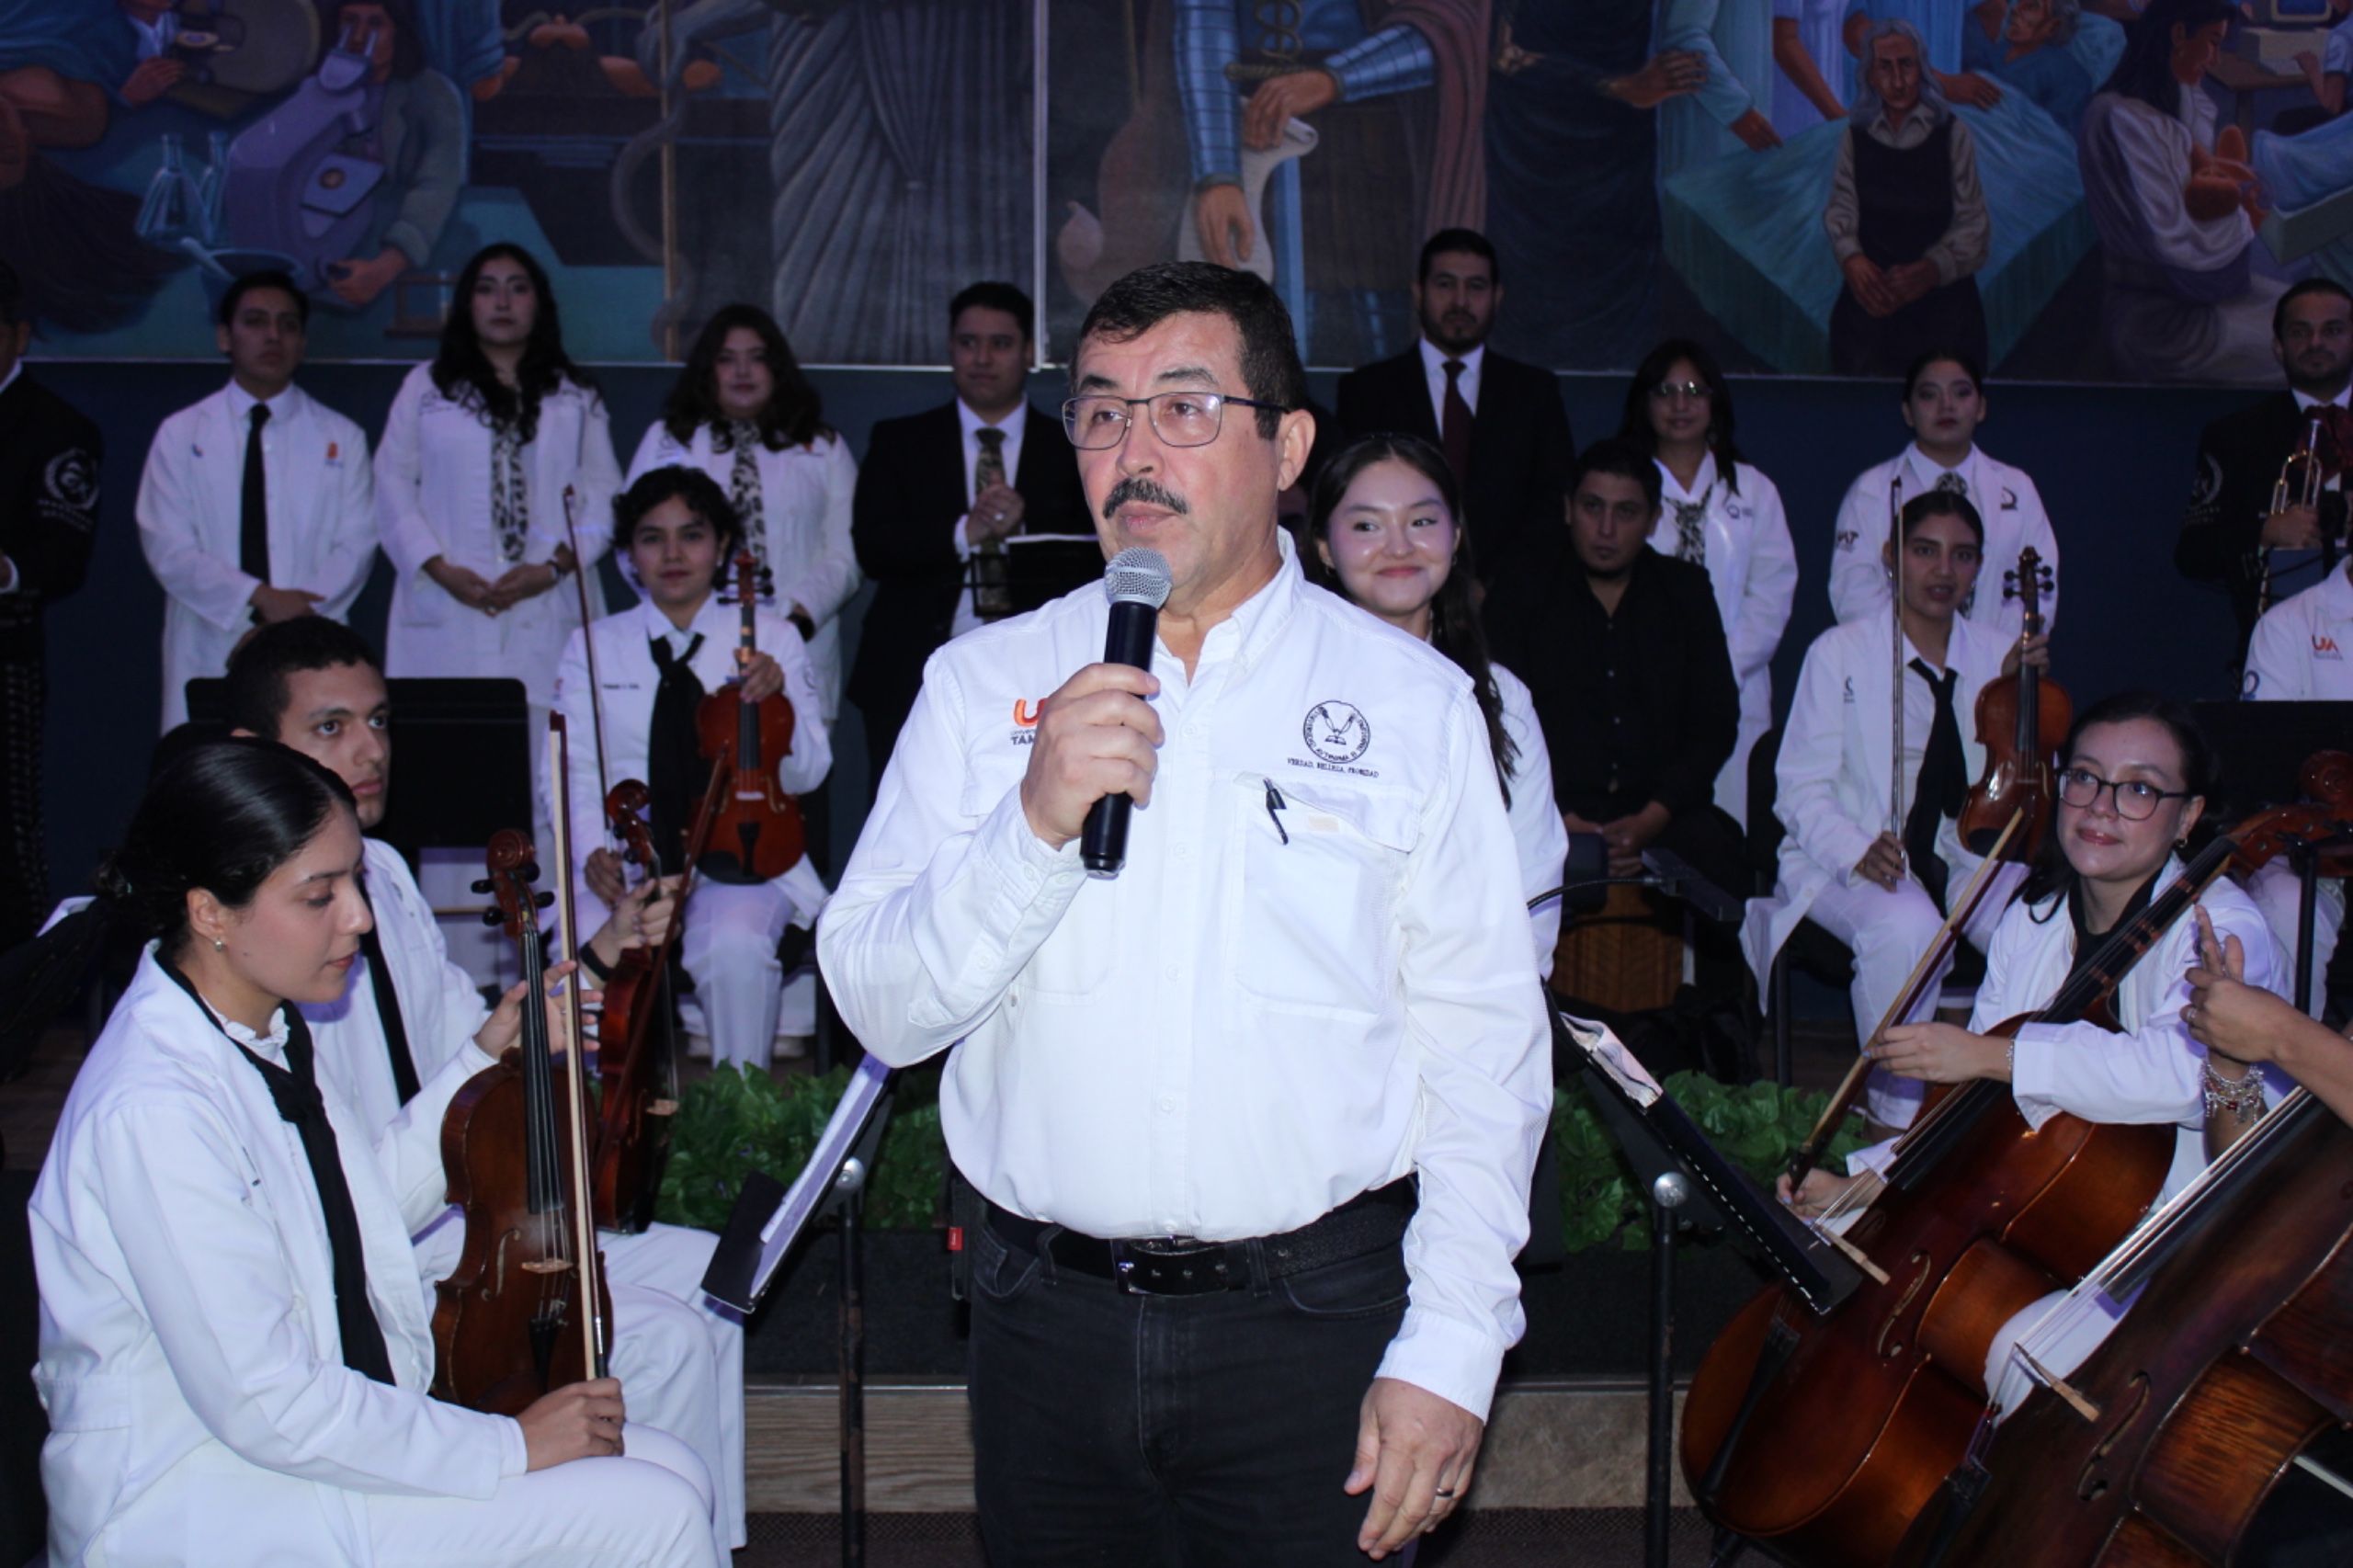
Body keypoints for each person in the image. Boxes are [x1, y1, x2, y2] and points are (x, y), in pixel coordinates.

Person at [822, 261, 1550, 1563]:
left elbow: (1485, 1048)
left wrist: (1451, 1343)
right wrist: (1030, 827)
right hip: (1045, 1325)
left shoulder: (1410, 702)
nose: (1131, 452)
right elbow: (877, 1002)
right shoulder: (983, 681)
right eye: (1100, 413)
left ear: (1289, 444)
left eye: (1183, 408)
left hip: (1312, 1326)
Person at [29, 738, 721, 1568]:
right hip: (193, 1494)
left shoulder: (257, 1027)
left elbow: (351, 1222)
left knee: (669, 1468)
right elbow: (267, 1404)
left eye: (354, 881)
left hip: (277, 1454)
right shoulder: (153, 1107)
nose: (359, 915)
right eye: (320, 895)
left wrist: (478, 1063)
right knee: (652, 1509)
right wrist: (508, 1448)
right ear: (210, 912)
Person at [219, 616, 752, 1551]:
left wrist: (599, 956)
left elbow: (479, 1042)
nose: (370, 749)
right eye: (332, 727)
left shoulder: (381, 873)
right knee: (658, 1336)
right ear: (255, 754)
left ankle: (700, 1538)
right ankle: (620, 1525)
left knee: (712, 1280)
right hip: (403, 1229)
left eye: (379, 721)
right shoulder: (262, 935)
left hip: (461, 1205)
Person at [1780, 696, 2288, 1416]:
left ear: (2187, 814)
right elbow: (1975, 1112)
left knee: (2019, 1353)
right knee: (1831, 1241)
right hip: (2046, 1201)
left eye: (2139, 789)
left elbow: (2178, 1076)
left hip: (2173, 1226)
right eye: (2083, 778)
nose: (2102, 807)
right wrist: (1871, 1183)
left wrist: (1998, 1057)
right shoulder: (2032, 916)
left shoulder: (2223, 925)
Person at [1746, 491, 2048, 1130]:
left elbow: (2014, 783)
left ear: (1978, 568)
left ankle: (2006, 1099)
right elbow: (1798, 787)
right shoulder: (1840, 652)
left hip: (1963, 848)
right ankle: (1893, 1118)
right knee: (1906, 928)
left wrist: (2026, 695)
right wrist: (1855, 849)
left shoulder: (1999, 654)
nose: (1943, 571)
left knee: (2037, 927)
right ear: (1891, 557)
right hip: (1844, 856)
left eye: (1962, 556)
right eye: (1925, 551)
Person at [555, 467, 831, 1072]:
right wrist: (590, 855)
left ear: (723, 546)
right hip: (628, 858)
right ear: (628, 555)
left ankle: (741, 1122)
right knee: (572, 947)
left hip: (740, 852)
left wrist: (777, 698)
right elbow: (574, 768)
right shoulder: (591, 645)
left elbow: (810, 774)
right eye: (652, 538)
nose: (673, 553)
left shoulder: (773, 638)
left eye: (692, 535)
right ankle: (592, 1128)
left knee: (734, 946)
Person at [1484, 439, 1750, 994]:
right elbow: (1494, 719)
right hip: (1553, 808)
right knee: (1509, 855)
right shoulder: (1522, 588)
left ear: (1654, 519)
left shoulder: (1684, 592)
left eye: (1626, 512)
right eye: (1592, 507)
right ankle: (1527, 1031)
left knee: (1720, 855)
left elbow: (1715, 720)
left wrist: (1654, 816)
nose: (1606, 529)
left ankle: (1717, 1046)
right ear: (1567, 509)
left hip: (1660, 811)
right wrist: (1553, 815)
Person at [1302, 432, 1569, 976]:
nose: (1399, 546)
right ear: (1325, 547)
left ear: (1456, 535)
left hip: (1461, 1003)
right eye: (1366, 526)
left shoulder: (1502, 700)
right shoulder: (1286, 688)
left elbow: (1532, 891)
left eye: (1422, 521)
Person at [374, 242, 616, 790]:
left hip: (543, 609)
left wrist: (553, 568)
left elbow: (603, 493)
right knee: (450, 791)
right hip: (447, 608)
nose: (502, 301)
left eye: (518, 287)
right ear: (466, 304)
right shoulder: (425, 387)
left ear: (539, 303)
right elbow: (390, 483)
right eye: (487, 288)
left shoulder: (575, 394)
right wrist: (437, 567)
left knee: (549, 783)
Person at [844, 281, 1088, 794]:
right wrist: (965, 532)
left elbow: (1100, 556)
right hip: (910, 668)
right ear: (950, 348)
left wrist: (1024, 534)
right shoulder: (899, 441)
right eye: (967, 342)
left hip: (1039, 670)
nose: (982, 357)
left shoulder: (1073, 447)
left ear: (1028, 353)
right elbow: (872, 548)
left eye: (1000, 343)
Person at [135, 270, 377, 732]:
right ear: (225, 336)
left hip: (312, 644)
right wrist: (259, 598)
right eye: (255, 322)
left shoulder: (341, 437)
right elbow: (168, 547)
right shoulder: (182, 433)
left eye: (287, 325)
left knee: (307, 785)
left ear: (303, 343)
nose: (273, 335)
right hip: (212, 637)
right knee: (211, 784)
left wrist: (291, 619)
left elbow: (357, 546)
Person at [626, 304, 859, 731]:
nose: (743, 372)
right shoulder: (668, 441)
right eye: (727, 359)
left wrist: (790, 628)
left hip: (799, 643)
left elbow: (846, 555)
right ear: (707, 369)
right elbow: (635, 542)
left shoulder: (821, 446)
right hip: (687, 646)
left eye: (757, 358)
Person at [1619, 339, 1798, 826]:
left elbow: (1773, 591)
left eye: (1694, 390)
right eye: (1666, 391)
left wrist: (1717, 671)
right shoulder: (1626, 490)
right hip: (1644, 690)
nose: (1681, 404)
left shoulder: (1753, 489)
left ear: (1715, 401)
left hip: (1738, 687)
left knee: (1731, 838)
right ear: (1645, 402)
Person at [1333, 229, 1578, 582]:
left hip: (1509, 601)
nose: (1460, 301)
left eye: (1476, 287)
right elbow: (1351, 500)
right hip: (1396, 588)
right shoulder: (1367, 391)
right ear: (1419, 293)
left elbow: (1553, 502)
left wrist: (1494, 585)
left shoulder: (1534, 393)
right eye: (1446, 285)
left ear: (1497, 296)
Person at [2077, 0, 2276, 384]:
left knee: (2319, 320)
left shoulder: (2165, 110)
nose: (2216, 60)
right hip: (2162, 327)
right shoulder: (2121, 119)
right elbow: (2171, 238)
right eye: (2213, 42)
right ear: (2178, 35)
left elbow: (2197, 160)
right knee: (2315, 346)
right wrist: (2243, 221)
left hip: (2191, 298)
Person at [0, 258, 98, 952]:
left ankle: (14, 1008)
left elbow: (62, 559)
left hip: (3, 656)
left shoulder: (59, 428)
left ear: (20, 335)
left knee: (8, 833)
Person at [2177, 278, 2353, 666]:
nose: (2316, 343)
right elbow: (2194, 553)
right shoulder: (2234, 436)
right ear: (2278, 346)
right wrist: (2267, 531)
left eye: (2333, 330)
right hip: (2278, 650)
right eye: (2300, 331)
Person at [1830, 349, 2061, 642]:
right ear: (1908, 413)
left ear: (1981, 408)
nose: (1946, 405)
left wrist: (1994, 655)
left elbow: (2040, 589)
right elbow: (1853, 589)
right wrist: (1916, 654)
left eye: (1961, 393)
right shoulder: (1872, 490)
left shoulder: (2018, 488)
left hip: (1996, 669)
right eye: (1929, 395)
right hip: (1895, 668)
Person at [1824, 20, 1991, 377]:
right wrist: (1852, 259)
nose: (1897, 81)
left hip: (1943, 310)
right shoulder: (1855, 137)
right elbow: (1841, 209)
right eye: (1885, 67)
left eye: (1907, 65)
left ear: (1922, 70)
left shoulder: (1952, 134)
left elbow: (1973, 223)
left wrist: (1934, 268)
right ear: (1869, 74)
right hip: (1873, 304)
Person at [2240, 553, 2351, 1020]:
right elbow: (2263, 768)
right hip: (2316, 852)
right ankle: (2293, 1080)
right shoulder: (2288, 625)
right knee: (2288, 909)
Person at [313, 0, 468, 310]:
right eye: (349, 21)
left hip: (405, 251)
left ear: (399, 31)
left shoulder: (435, 94)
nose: (358, 37)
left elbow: (437, 185)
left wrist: (385, 268)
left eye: (375, 24)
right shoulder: (315, 91)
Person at [1961, 0, 2094, 133]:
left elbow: (2057, 140)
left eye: (2032, 6)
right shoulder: (1999, 51)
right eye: (2019, 2)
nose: (2015, 10)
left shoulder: (2069, 75)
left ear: (2053, 26)